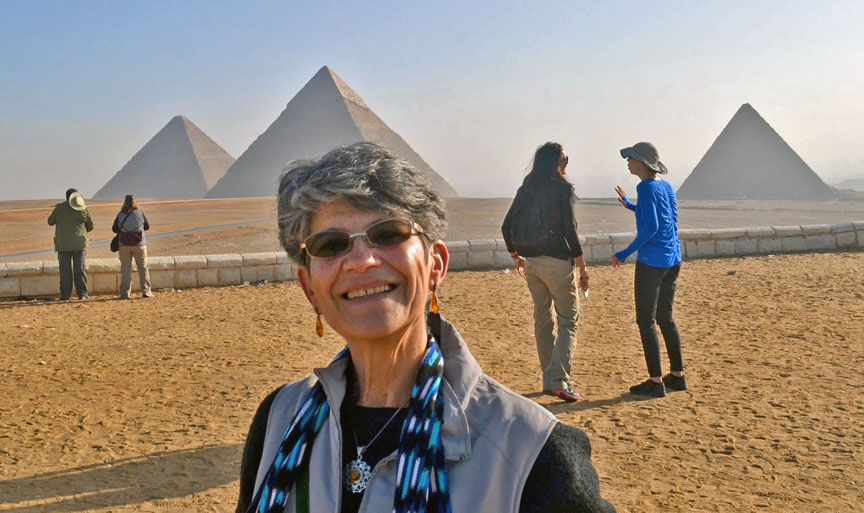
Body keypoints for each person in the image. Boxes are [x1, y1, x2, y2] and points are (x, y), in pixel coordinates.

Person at [236, 143, 615, 513]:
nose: (361, 261)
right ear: (309, 289)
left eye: (388, 233)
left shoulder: (531, 453)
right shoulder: (278, 422)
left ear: (436, 266)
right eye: (330, 245)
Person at [501, 142, 589, 403]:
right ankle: (557, 380)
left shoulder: (526, 189)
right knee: (568, 322)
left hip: (532, 264)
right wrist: (583, 267)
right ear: (555, 162)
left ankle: (551, 376)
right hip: (556, 264)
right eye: (564, 158)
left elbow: (506, 226)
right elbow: (570, 231)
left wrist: (516, 257)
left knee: (542, 320)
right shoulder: (563, 190)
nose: (567, 163)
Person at [612, 142, 686, 398]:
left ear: (641, 162)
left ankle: (655, 381)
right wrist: (632, 206)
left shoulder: (644, 187)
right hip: (673, 259)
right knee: (666, 318)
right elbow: (669, 217)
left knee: (646, 321)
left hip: (652, 263)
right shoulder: (665, 186)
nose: (628, 162)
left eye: (630, 158)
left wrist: (623, 253)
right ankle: (677, 376)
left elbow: (652, 226)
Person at [47, 188, 94, 300]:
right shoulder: (83, 208)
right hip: (79, 244)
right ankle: (82, 294)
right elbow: (91, 225)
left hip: (63, 244)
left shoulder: (60, 208)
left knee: (65, 271)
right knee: (80, 269)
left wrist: (57, 209)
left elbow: (50, 221)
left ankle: (65, 295)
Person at [112, 194, 153, 299]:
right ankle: (146, 291)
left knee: (125, 269)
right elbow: (147, 227)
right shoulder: (140, 213)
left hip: (124, 245)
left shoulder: (120, 215)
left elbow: (115, 229)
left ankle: (125, 294)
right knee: (143, 268)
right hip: (139, 244)